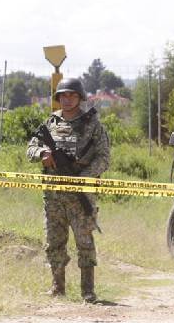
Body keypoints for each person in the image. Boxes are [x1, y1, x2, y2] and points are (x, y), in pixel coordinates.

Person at [25, 78, 111, 302]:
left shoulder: (93, 125)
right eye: (63, 95)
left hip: (80, 195)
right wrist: (42, 153)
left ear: (80, 97)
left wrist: (84, 178)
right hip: (53, 196)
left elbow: (104, 158)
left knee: (84, 242)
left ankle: (88, 291)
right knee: (54, 241)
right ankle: (57, 287)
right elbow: (31, 146)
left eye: (72, 95)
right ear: (58, 98)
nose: (68, 99)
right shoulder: (50, 123)